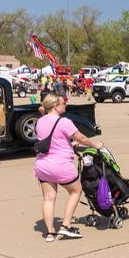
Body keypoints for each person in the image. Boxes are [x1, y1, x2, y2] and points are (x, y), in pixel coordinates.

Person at [34, 93, 104, 242]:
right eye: (63, 103)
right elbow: (82, 138)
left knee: (48, 198)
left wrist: (70, 144)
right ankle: (66, 226)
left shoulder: (40, 121)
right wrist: (95, 144)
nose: (65, 105)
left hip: (42, 165)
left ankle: (50, 232)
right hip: (60, 164)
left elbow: (52, 141)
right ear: (55, 106)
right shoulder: (64, 122)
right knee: (76, 191)